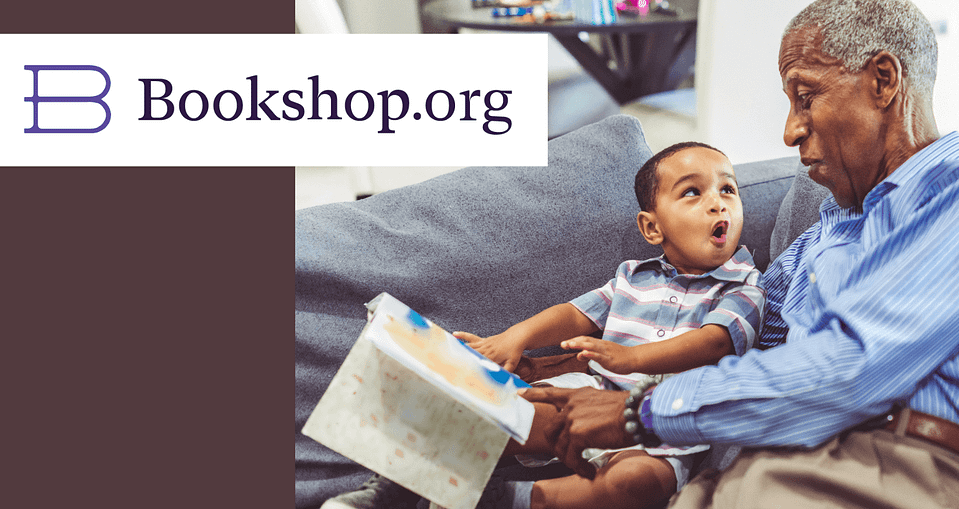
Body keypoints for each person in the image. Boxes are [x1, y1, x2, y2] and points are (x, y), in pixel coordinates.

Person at [519, 0, 959, 508]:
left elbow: (847, 369)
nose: (790, 131)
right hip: (756, 467)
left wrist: (638, 412)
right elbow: (730, 340)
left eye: (806, 97)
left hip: (895, 469)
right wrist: (580, 383)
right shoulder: (818, 240)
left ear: (883, 81)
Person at [325, 142, 766, 509]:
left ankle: (502, 499)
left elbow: (715, 342)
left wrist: (632, 357)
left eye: (729, 189)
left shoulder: (743, 286)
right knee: (489, 409)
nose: (717, 201)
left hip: (667, 430)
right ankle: (396, 489)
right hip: (587, 398)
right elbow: (574, 313)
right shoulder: (633, 276)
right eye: (693, 192)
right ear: (652, 227)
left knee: (636, 484)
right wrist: (513, 339)